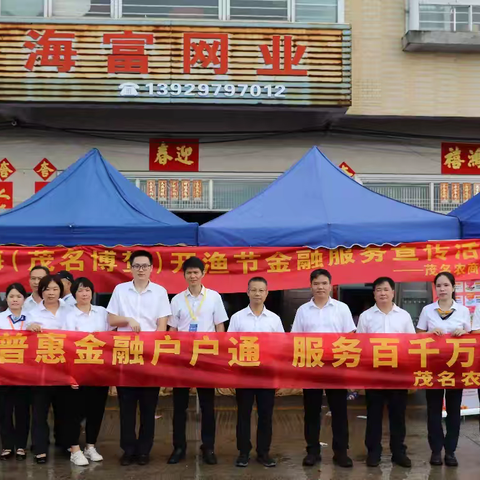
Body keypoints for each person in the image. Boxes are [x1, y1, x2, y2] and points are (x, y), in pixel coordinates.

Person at [107, 250, 171, 467]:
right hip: (126, 353)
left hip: (150, 355)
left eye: (145, 266)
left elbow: (162, 325)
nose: (141, 269)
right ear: (131, 268)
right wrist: (128, 320)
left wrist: (158, 352)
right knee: (126, 406)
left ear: (152, 268)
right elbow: (111, 318)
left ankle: (144, 450)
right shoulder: (120, 290)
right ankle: (128, 449)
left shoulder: (160, 292)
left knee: (148, 406)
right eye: (137, 266)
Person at [291, 268, 355, 468]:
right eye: (316, 283)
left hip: (336, 366)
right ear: (311, 286)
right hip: (312, 367)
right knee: (311, 411)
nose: (320, 287)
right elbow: (295, 339)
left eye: (324, 283)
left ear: (330, 285)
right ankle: (312, 451)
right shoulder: (302, 310)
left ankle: (341, 452)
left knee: (339, 411)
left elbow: (351, 337)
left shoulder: (341, 308)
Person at [167, 256, 228, 465]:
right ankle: (179, 447)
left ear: (203, 274)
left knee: (208, 405)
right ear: (184, 275)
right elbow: (172, 329)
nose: (193, 276)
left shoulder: (214, 297)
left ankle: (208, 447)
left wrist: (219, 355)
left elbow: (220, 327)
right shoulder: (176, 299)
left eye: (196, 272)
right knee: (179, 405)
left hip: (206, 356)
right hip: (183, 357)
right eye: (189, 272)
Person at [356, 277, 415, 468]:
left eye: (386, 289)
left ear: (393, 292)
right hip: (374, 373)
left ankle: (398, 452)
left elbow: (411, 344)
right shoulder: (366, 316)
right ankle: (373, 453)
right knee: (373, 415)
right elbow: (360, 346)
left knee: (398, 415)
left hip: (398, 373)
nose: (382, 293)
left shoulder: (403, 316)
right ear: (374, 293)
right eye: (378, 290)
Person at [417, 271, 472, 467]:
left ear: (453, 288)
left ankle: (450, 451)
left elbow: (471, 338)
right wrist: (430, 333)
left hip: (456, 367)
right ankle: (436, 451)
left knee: (454, 410)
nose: (442, 289)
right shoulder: (427, 310)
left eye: (446, 285)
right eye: (438, 286)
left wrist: (464, 333)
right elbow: (419, 336)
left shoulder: (463, 311)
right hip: (433, 367)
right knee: (433, 410)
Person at [228, 277, 284, 468]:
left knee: (266, 415)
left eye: (261, 290)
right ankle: (243, 452)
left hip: (266, 375)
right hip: (244, 374)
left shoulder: (274, 319)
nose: (257, 294)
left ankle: (263, 452)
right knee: (243, 414)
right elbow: (229, 345)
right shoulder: (237, 318)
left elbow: (281, 348)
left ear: (267, 293)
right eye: (254, 290)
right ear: (247, 292)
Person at [64, 277, 110, 466]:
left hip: (99, 370)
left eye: (88, 290)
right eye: (80, 290)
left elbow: (110, 339)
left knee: (96, 410)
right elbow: (66, 345)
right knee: (74, 411)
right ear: (74, 294)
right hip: (77, 369)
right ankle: (74, 449)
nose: (84, 294)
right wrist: (69, 374)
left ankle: (90, 446)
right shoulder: (68, 314)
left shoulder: (102, 312)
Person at [26, 274, 71, 464]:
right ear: (40, 291)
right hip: (41, 370)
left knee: (65, 410)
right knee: (39, 411)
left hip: (65, 368)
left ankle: (64, 443)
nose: (51, 293)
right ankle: (40, 447)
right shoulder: (32, 312)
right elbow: (23, 335)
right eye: (46, 289)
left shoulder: (70, 309)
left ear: (60, 290)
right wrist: (29, 327)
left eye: (55, 289)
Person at [0, 283, 31, 461]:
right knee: (4, 411)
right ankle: (7, 445)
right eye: (11, 296)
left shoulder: (32, 319)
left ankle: (21, 446)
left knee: (22, 411)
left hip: (24, 373)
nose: (15, 299)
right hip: (3, 372)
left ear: (24, 299)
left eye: (18, 296)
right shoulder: (0, 318)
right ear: (7, 299)